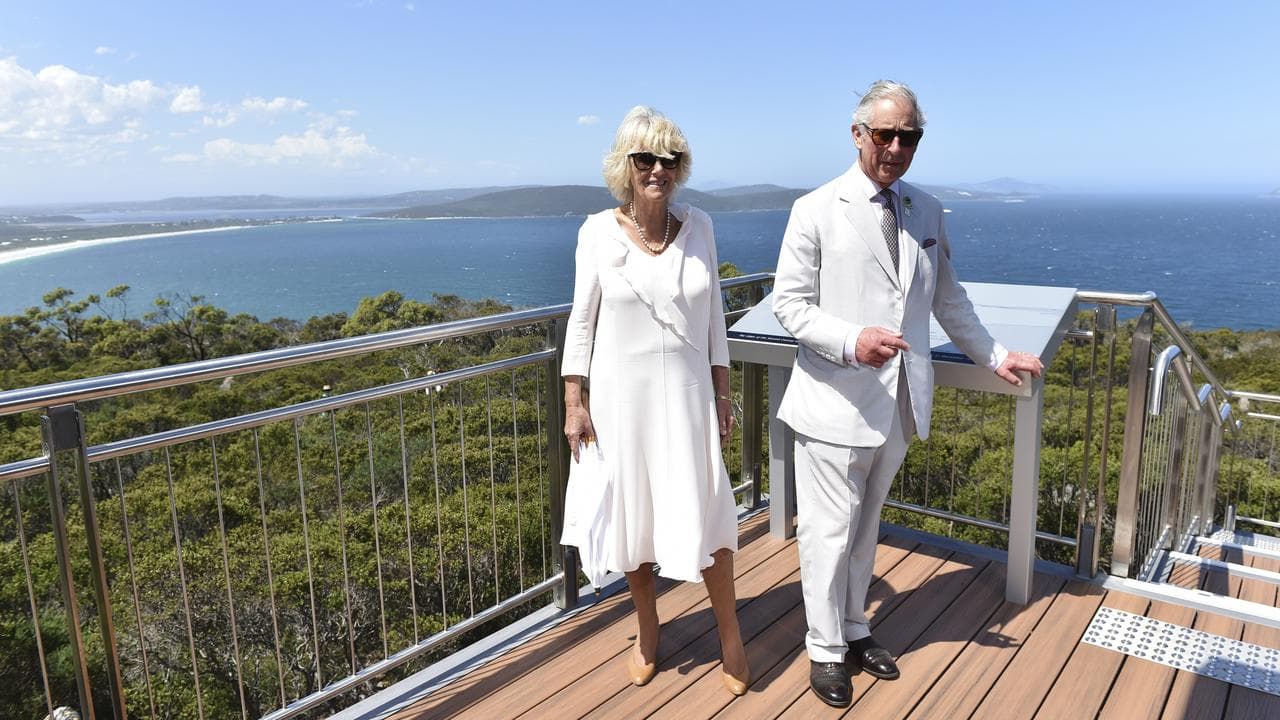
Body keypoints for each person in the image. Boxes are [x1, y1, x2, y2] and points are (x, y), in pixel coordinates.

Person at [772, 80, 1044, 708]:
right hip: (833, 402)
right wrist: (849, 340)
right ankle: (824, 647)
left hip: (897, 402)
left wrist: (996, 356)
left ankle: (856, 627)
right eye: (886, 134)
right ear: (857, 133)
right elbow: (789, 303)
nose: (897, 146)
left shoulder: (925, 210)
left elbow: (948, 299)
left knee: (865, 528)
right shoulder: (814, 209)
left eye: (910, 136)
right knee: (826, 533)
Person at [562, 105, 750, 696]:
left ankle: (730, 635)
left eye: (669, 159)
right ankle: (648, 631)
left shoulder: (698, 226)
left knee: (708, 513)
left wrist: (724, 394)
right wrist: (575, 401)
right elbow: (581, 325)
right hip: (622, 402)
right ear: (626, 165)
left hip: (689, 396)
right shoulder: (596, 232)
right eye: (645, 158)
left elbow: (716, 317)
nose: (657, 169)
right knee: (634, 518)